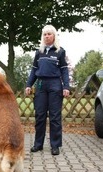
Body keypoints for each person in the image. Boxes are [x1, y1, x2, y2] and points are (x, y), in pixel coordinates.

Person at [25, 24, 70, 155]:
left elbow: (64, 70)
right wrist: (29, 85)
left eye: (49, 34)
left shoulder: (60, 51)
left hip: (55, 85)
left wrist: (66, 86)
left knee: (55, 117)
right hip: (40, 85)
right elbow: (34, 70)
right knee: (40, 116)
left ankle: (55, 145)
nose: (46, 36)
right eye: (44, 34)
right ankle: (38, 144)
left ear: (54, 36)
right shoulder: (39, 52)